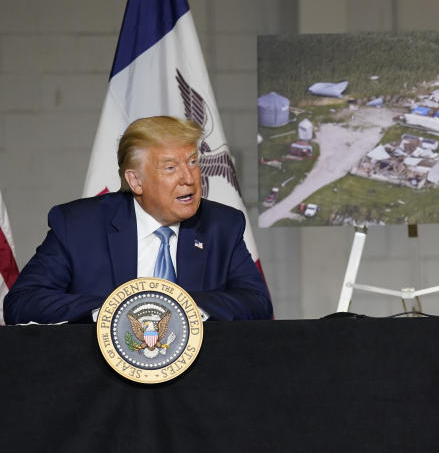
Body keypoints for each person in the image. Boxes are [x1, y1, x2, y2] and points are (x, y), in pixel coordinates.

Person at [3, 116, 272, 324]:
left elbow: (257, 302)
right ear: (135, 181)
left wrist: (177, 306)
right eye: (170, 167)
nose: (189, 178)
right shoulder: (78, 226)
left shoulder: (221, 225)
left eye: (192, 162)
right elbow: (22, 302)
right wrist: (117, 310)